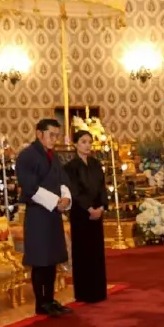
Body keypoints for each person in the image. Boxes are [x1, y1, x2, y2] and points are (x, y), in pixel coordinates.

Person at [16, 119, 73, 317]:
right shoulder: (27, 156)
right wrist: (55, 201)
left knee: (52, 259)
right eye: (52, 135)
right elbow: (29, 186)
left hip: (54, 214)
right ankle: (41, 303)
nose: (54, 139)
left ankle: (50, 299)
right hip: (38, 213)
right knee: (40, 260)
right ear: (39, 133)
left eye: (57, 135)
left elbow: (62, 180)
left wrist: (66, 197)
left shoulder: (53, 155)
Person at [64, 129, 108, 304]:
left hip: (97, 214)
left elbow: (102, 187)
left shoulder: (96, 164)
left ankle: (98, 291)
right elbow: (74, 191)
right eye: (83, 141)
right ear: (75, 144)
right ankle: (84, 292)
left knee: (96, 252)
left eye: (90, 142)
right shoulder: (70, 168)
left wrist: (102, 207)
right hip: (81, 215)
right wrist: (89, 209)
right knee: (83, 253)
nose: (87, 145)